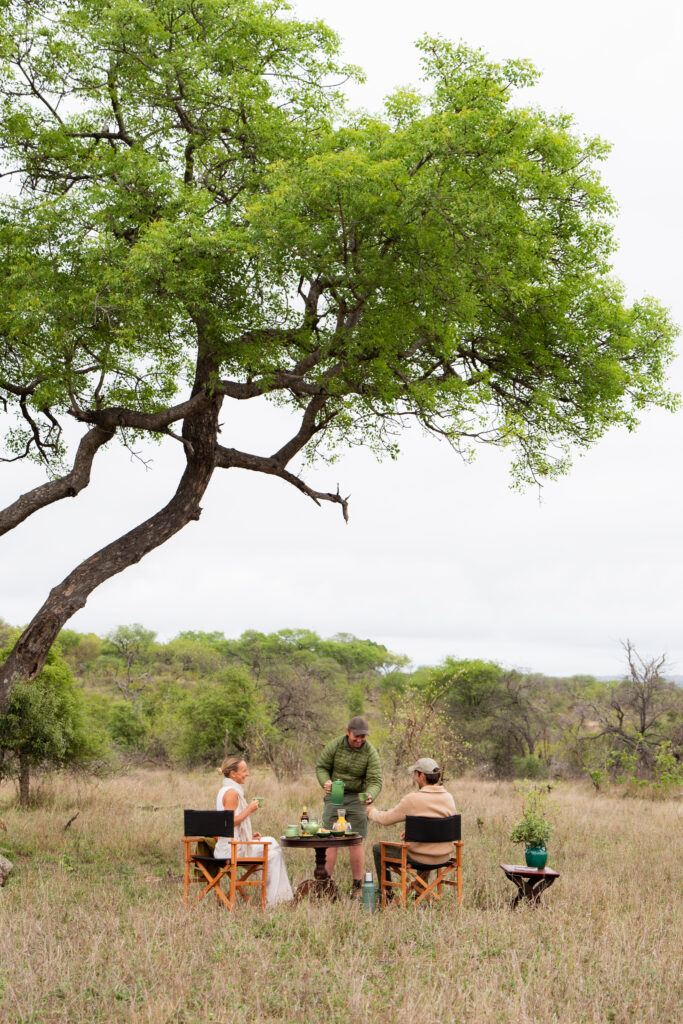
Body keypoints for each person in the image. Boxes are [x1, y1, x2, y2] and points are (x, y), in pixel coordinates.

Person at [366, 757, 456, 893]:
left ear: (422, 775)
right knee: (423, 845)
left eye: (415, 773)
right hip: (444, 856)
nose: (414, 777)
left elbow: (385, 819)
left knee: (378, 848)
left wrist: (371, 811)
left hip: (420, 857)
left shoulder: (413, 799)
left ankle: (386, 893)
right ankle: (421, 892)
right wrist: (412, 832)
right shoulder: (448, 797)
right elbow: (439, 825)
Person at [315, 715, 382, 899]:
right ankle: (325, 883)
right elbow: (321, 767)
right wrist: (325, 782)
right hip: (335, 795)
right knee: (330, 838)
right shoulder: (335, 745)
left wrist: (370, 795)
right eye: (356, 738)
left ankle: (357, 885)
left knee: (356, 839)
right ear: (347, 732)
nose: (359, 741)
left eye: (363, 738)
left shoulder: (370, 752)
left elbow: (375, 780)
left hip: (356, 798)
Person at [215, 755, 292, 906]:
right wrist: (249, 809)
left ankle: (279, 897)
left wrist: (248, 837)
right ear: (233, 774)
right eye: (244, 771)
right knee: (273, 848)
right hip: (232, 850)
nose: (247, 774)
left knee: (272, 848)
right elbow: (228, 823)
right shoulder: (232, 793)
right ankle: (276, 900)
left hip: (230, 845)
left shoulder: (224, 790)